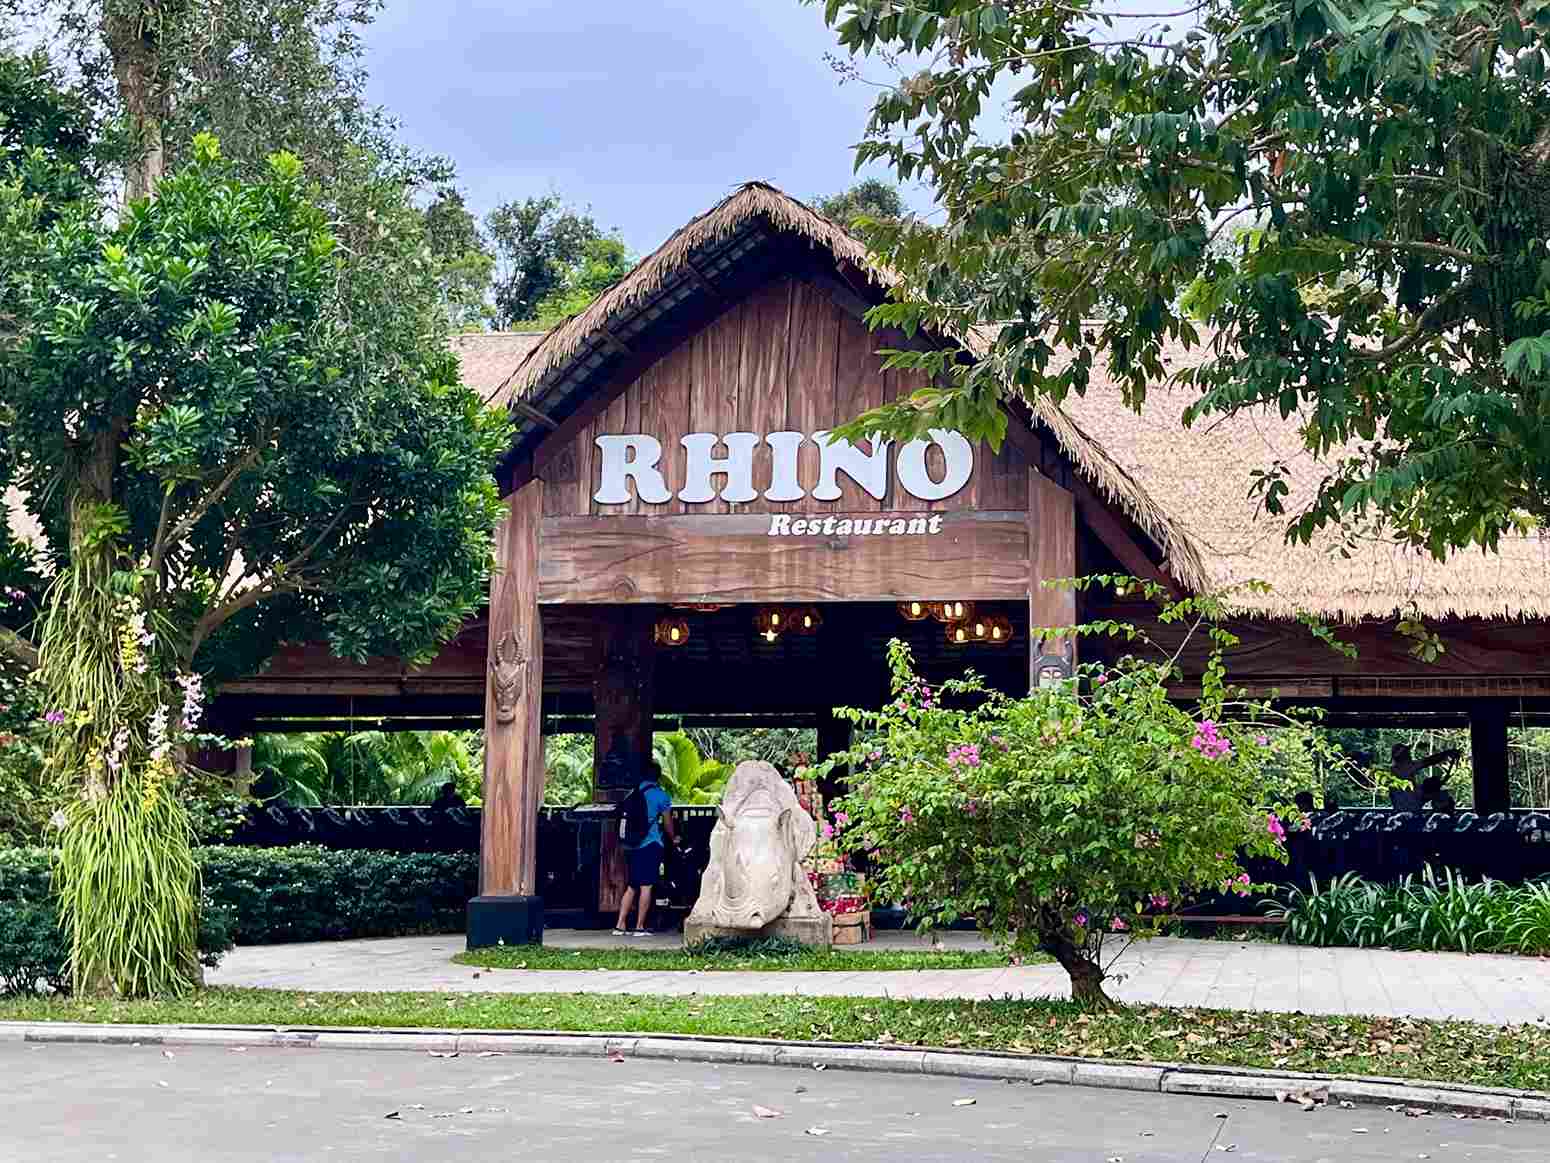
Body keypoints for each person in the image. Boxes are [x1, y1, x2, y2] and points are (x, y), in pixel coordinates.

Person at [614, 759, 675, 937]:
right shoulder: (660, 795)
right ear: (658, 776)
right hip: (651, 843)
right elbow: (668, 823)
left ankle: (620, 925)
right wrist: (675, 838)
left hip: (632, 845)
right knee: (646, 886)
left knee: (632, 886)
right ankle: (640, 927)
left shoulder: (633, 793)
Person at [1387, 743, 1461, 811]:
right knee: (1436, 787)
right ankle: (1446, 811)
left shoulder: (1395, 769)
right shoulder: (1404, 767)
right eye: (1407, 753)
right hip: (1411, 805)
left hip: (1405, 805)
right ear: (1402, 756)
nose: (1409, 755)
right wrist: (1448, 753)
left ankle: (1442, 807)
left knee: (1432, 783)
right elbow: (1429, 761)